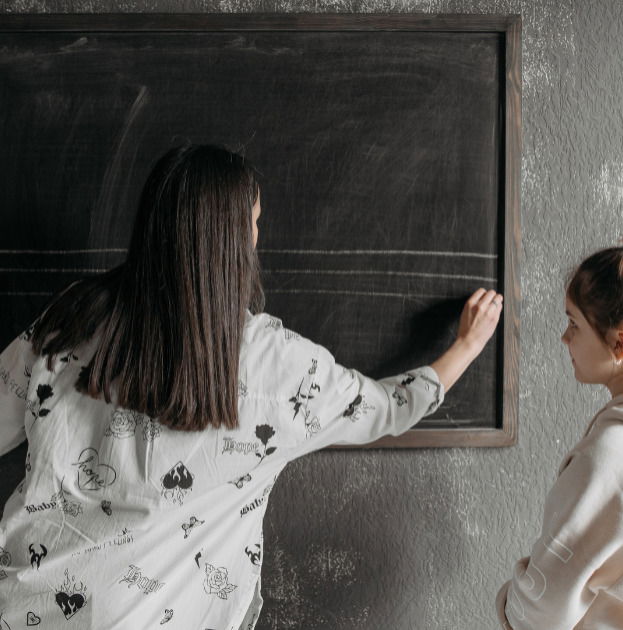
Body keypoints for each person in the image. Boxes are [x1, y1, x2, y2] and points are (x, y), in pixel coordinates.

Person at [0, 144, 502, 630]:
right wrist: (463, 347)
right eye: (255, 223)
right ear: (232, 241)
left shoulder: (71, 317)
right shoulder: (274, 365)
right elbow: (382, 409)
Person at [496, 246, 623, 630]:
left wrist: (507, 604)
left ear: (619, 343)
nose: (564, 339)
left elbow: (546, 603)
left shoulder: (610, 452)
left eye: (574, 324)